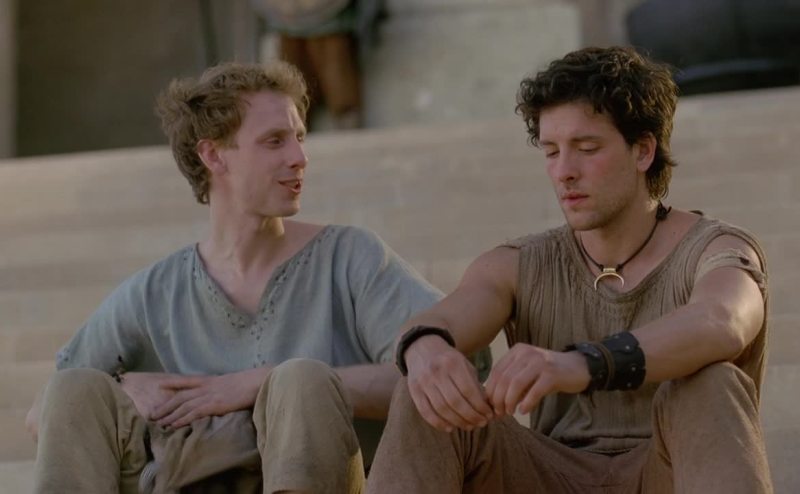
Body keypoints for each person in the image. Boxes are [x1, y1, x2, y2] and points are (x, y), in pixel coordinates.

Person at [24, 60, 444, 493]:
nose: (299, 158)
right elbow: (44, 414)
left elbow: (440, 374)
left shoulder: (350, 257)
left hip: (328, 477)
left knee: (301, 379)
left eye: (299, 137)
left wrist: (256, 382)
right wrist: (124, 385)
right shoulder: (153, 294)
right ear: (213, 155)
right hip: (187, 477)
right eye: (275, 141)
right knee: (75, 389)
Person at [367, 46, 773, 493]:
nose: (564, 172)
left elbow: (722, 320)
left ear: (643, 151)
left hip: (669, 471)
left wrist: (584, 363)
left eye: (586, 148)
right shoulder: (516, 263)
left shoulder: (716, 248)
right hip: (546, 475)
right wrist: (424, 349)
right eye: (551, 152)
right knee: (424, 392)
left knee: (712, 382)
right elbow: (446, 318)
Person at [252, 0, 386, 130]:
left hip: (329, 16)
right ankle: (294, 119)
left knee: (332, 56)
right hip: (285, 13)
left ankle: (346, 118)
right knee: (292, 63)